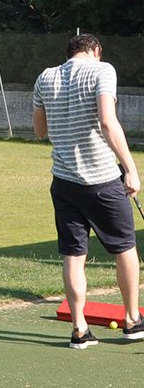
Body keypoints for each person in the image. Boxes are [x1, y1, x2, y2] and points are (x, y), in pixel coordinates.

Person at [33, 34, 144, 349]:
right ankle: (132, 320)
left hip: (64, 182)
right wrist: (131, 168)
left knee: (73, 254)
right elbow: (108, 122)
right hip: (102, 180)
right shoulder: (103, 70)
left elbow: (41, 130)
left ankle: (79, 329)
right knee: (125, 247)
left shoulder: (45, 76)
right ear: (96, 51)